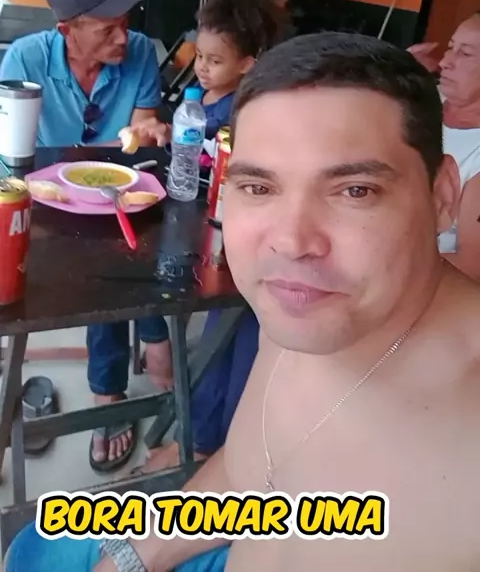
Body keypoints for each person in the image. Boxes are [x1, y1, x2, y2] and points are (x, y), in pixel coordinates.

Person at [8, 32, 480, 571]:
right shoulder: (307, 310)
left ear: (443, 195)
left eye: (355, 190)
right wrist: (131, 557)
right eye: (259, 187)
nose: (292, 243)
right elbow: (250, 471)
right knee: (33, 550)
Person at [0, 0, 173, 473]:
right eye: (107, 29)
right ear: (66, 31)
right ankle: (147, 344)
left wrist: (151, 131)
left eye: (125, 22)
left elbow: (140, 127)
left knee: (122, 262)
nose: (124, 37)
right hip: (44, 193)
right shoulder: (26, 59)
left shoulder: (139, 51)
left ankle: (111, 389)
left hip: (116, 194)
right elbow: (10, 148)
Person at [128, 0, 284, 474]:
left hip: (233, 233)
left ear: (249, 63)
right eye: (200, 55)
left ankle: (219, 451)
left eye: (215, 60)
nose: (201, 67)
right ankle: (203, 439)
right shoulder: (202, 97)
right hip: (200, 220)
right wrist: (164, 132)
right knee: (220, 327)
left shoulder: (246, 111)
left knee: (235, 333)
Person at [409, 14, 480, 281]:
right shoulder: (422, 99)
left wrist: (380, 261)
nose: (444, 62)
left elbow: (471, 264)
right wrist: (396, 73)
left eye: (466, 53)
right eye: (451, 47)